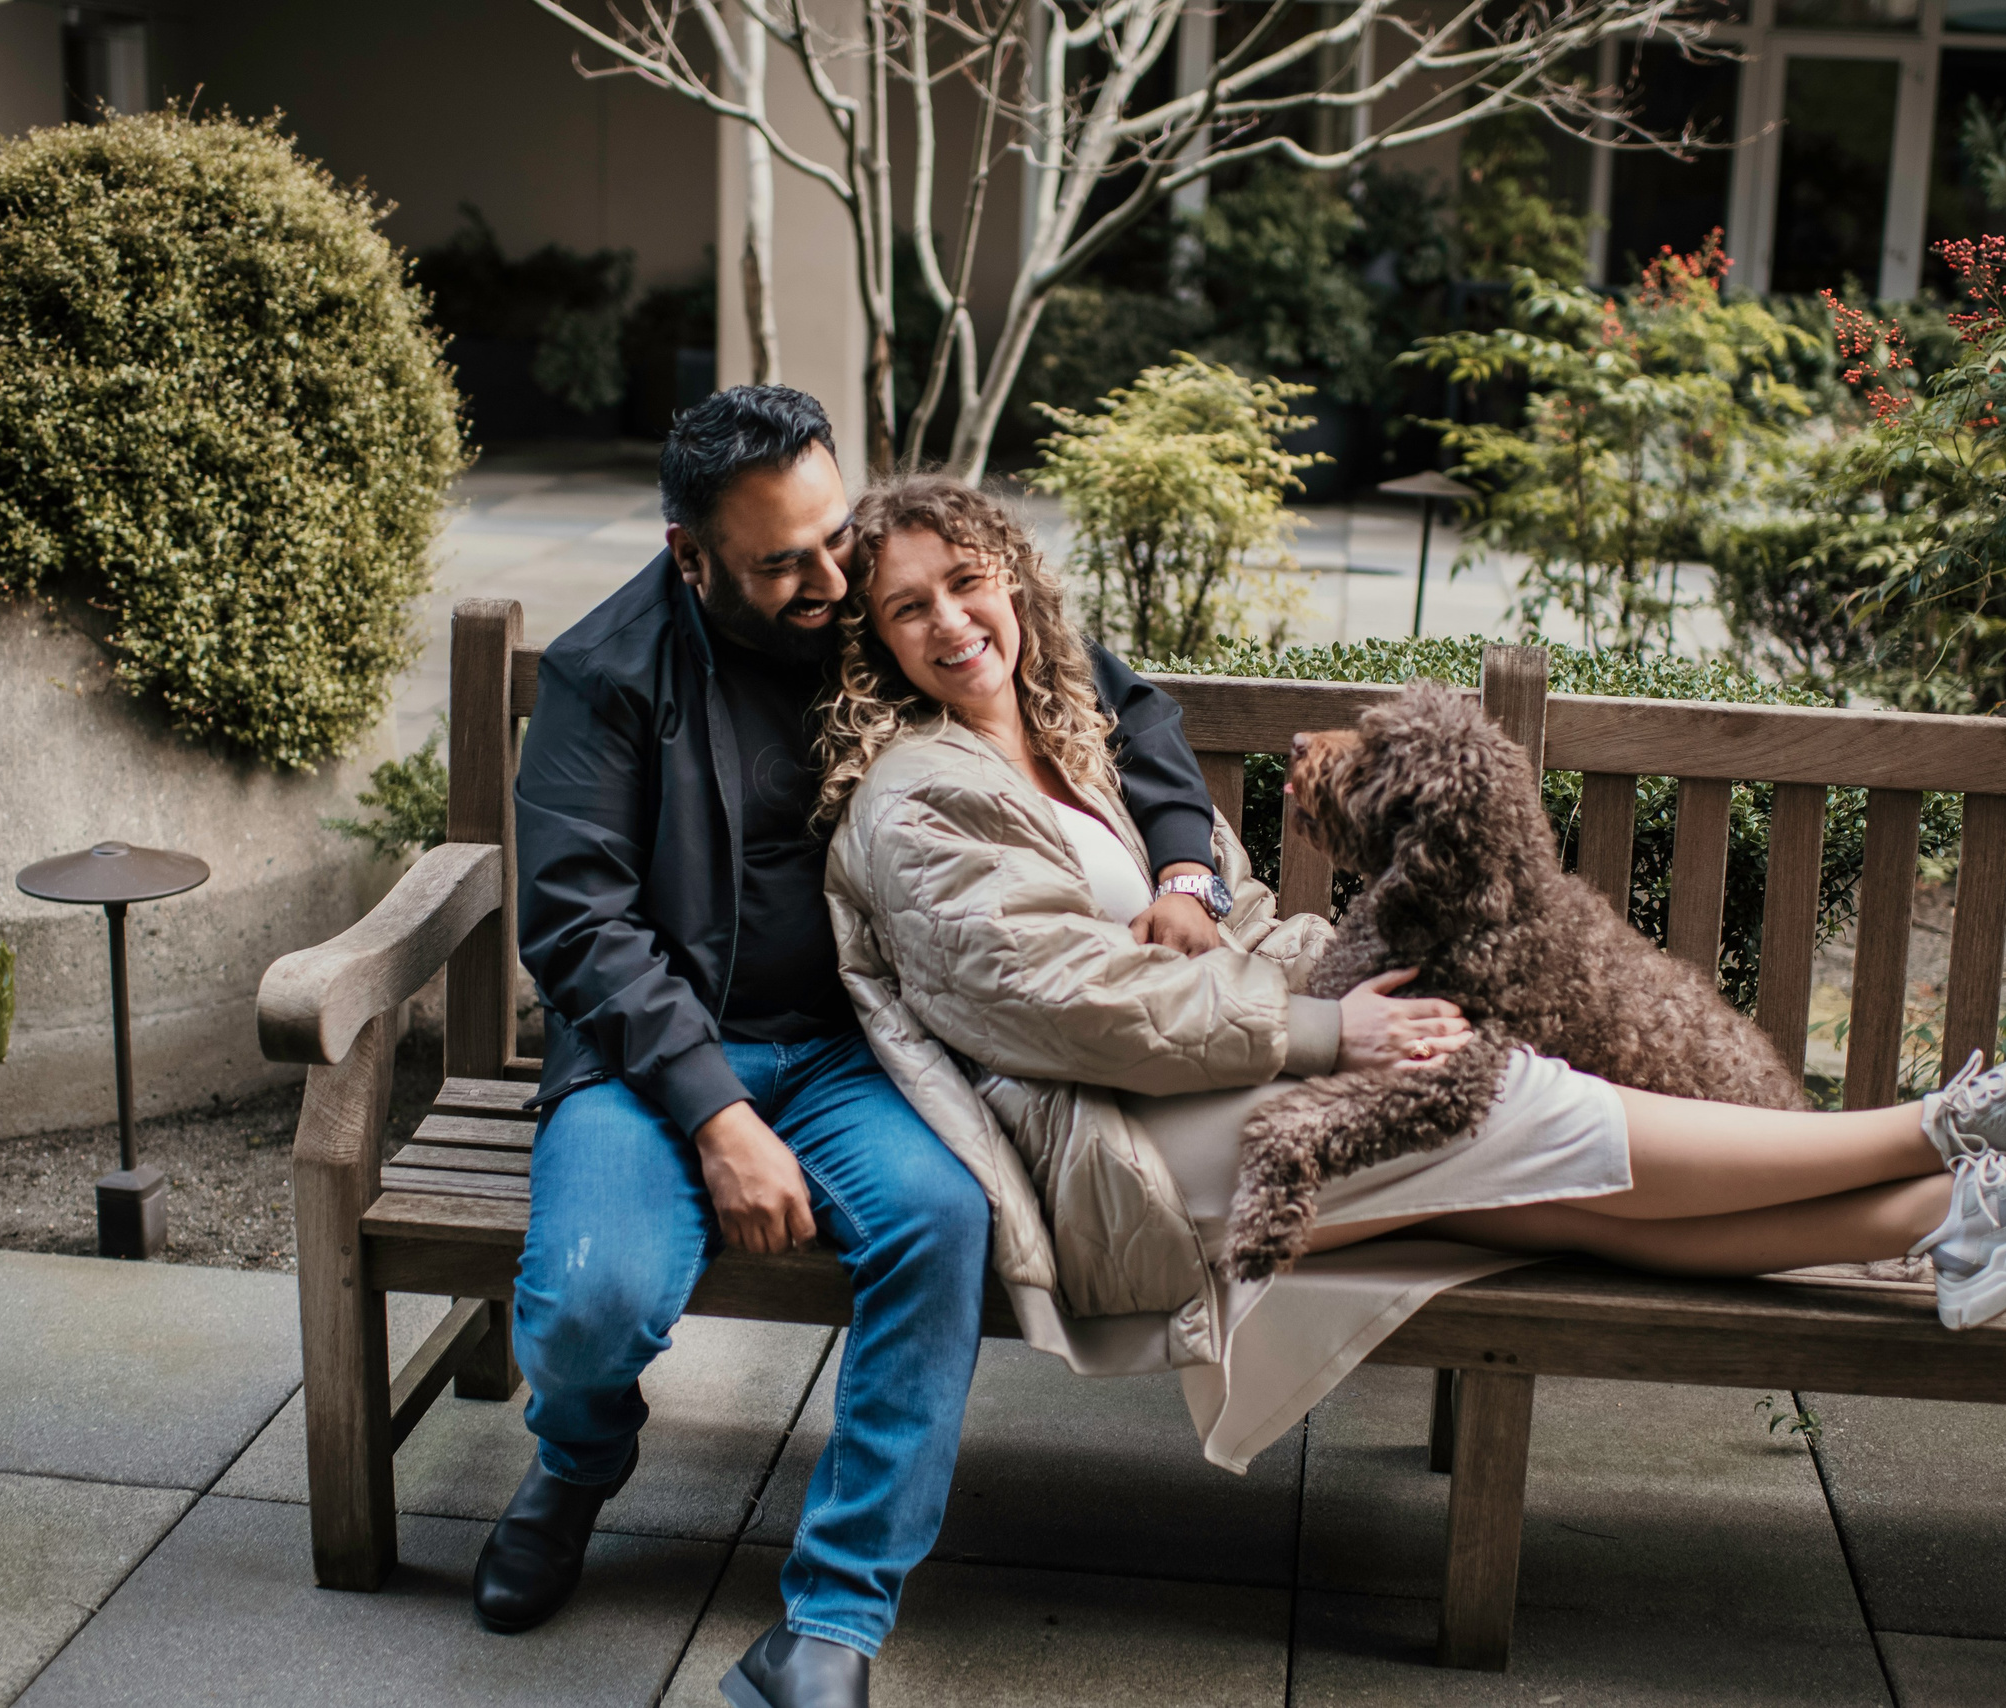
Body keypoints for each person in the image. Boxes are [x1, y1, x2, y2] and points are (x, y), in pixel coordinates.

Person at [815, 473, 2006, 1472]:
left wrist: (1281, 960)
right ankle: (1949, 1129)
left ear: (1014, 580)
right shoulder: (922, 797)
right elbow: (1055, 1005)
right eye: (908, 607)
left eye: (967, 581)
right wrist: (1319, 1030)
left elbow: (1222, 936)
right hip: (1119, 1157)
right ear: (875, 640)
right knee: (1500, 1094)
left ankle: (1943, 1225)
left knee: (1549, 1207)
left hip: (1190, 1089)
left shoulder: (1074, 742)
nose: (950, 620)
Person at [486, 388, 1377, 1708]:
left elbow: (1121, 710)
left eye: (831, 536)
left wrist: (1185, 872)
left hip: (862, 1053)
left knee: (942, 1223)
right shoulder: (607, 671)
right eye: (780, 561)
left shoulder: (882, 590)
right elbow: (579, 923)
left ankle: (831, 1625)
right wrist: (720, 1116)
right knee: (594, 1303)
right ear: (692, 556)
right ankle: (577, 1459)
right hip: (656, 1062)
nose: (827, 579)